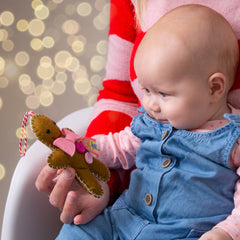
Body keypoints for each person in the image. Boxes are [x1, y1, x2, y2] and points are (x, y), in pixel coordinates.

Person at [35, 0, 240, 238]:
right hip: (123, 217)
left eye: (164, 93)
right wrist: (83, 147)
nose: (150, 103)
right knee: (79, 229)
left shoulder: (232, 140)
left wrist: (226, 233)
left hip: (182, 233)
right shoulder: (151, 121)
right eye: (147, 90)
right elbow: (117, 146)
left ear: (214, 88)